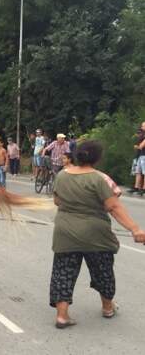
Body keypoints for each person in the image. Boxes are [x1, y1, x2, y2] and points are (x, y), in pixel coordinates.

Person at [50, 141, 145, 329]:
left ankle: (62, 316)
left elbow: (57, 200)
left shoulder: (61, 175)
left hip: (65, 232)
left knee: (63, 273)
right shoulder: (98, 179)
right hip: (95, 234)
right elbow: (114, 207)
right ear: (97, 158)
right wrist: (135, 229)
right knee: (103, 271)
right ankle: (108, 308)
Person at [127, 122, 145, 195]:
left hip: (144, 155)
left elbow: (140, 146)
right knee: (138, 172)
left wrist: (137, 146)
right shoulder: (142, 135)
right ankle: (136, 187)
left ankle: (143, 189)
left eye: (143, 126)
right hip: (140, 155)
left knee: (144, 172)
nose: (142, 127)